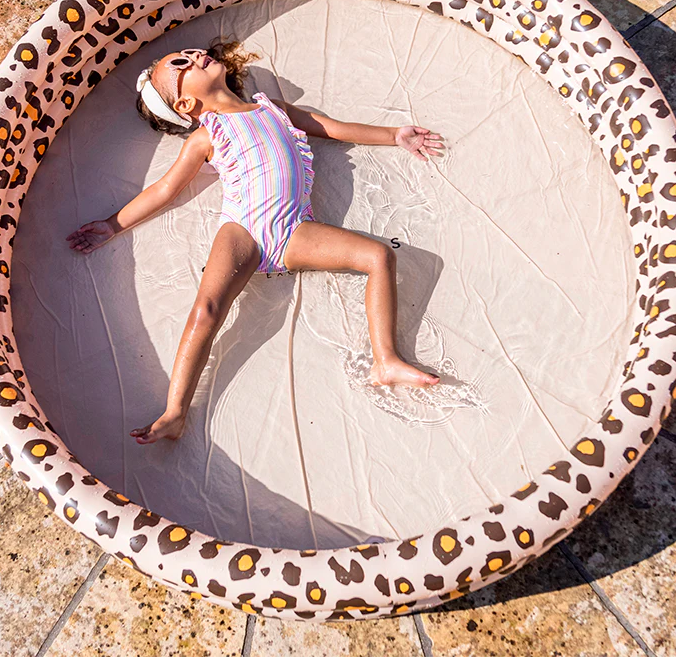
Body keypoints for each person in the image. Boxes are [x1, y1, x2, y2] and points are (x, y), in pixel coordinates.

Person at [65, 39, 446, 445]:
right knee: (206, 310)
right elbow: (165, 189)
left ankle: (385, 360)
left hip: (294, 230)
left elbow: (329, 127)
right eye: (181, 64)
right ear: (186, 105)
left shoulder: (273, 109)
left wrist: (394, 135)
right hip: (243, 227)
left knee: (378, 255)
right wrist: (112, 224)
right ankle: (175, 412)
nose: (193, 56)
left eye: (189, 53)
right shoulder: (206, 137)